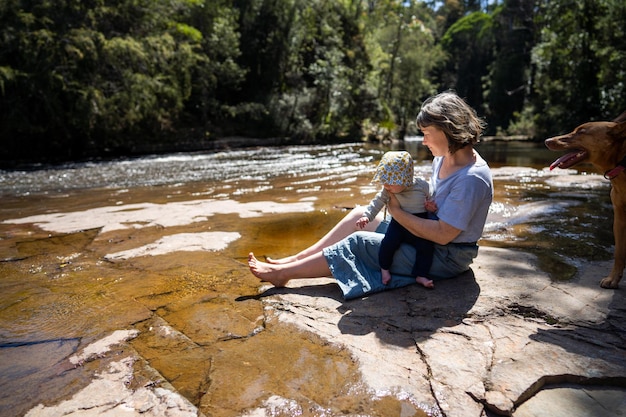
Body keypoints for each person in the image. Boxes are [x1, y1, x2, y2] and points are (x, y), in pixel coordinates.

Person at [249, 91, 493, 300]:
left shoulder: (472, 178)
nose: (423, 140)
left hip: (445, 255)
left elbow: (442, 235)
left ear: (448, 129)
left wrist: (396, 212)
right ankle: (296, 259)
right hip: (422, 235)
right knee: (358, 215)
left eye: (427, 133)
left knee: (359, 242)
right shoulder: (443, 158)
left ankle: (284, 275)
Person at [356, 151, 435, 288]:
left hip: (419, 224)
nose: (386, 185)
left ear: (405, 178)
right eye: (384, 181)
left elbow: (433, 199)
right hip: (398, 224)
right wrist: (366, 216)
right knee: (388, 243)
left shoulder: (422, 186)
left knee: (427, 247)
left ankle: (421, 275)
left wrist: (432, 207)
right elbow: (377, 202)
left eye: (390, 182)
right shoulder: (388, 190)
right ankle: (384, 269)